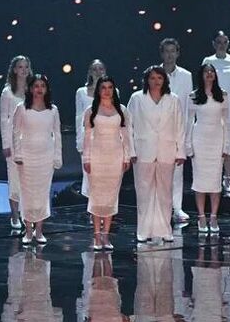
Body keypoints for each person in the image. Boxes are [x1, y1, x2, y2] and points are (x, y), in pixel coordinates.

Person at [129, 65, 186, 244]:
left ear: (165, 80)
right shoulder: (137, 98)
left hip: (166, 150)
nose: (156, 81)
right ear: (147, 80)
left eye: (159, 78)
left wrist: (181, 151)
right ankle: (144, 231)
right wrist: (130, 150)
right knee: (144, 192)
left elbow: (180, 126)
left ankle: (165, 230)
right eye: (152, 78)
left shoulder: (173, 99)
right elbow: (128, 126)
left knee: (165, 192)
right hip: (143, 150)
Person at [10, 74, 62, 246]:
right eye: (36, 86)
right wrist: (17, 154)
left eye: (42, 86)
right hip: (27, 156)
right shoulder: (21, 108)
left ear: (46, 89)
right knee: (27, 193)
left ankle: (39, 230)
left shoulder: (53, 110)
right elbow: (16, 132)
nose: (39, 89)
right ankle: (28, 230)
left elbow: (57, 134)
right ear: (31, 89)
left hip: (46, 157)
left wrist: (57, 156)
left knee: (42, 194)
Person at [82, 75, 132, 251]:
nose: (107, 91)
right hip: (97, 156)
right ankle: (97, 235)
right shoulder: (91, 110)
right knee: (97, 195)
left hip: (115, 157)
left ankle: (106, 235)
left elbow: (126, 136)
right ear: (98, 90)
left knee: (111, 196)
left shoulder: (122, 110)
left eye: (110, 87)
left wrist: (127, 157)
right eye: (103, 87)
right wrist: (86, 159)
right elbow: (87, 138)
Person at [202, 30, 230, 197]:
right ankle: (213, 178)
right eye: (219, 42)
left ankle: (227, 178)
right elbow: (203, 83)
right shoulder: (208, 61)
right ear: (214, 44)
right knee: (213, 141)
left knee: (229, 142)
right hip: (212, 104)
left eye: (224, 42)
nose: (222, 45)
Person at [187, 63, 228, 235]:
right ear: (201, 75)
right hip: (200, 139)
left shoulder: (223, 95)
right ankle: (201, 216)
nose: (209, 74)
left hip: (217, 139)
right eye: (206, 72)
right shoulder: (194, 96)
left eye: (212, 71)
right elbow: (189, 121)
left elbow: (226, 122)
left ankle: (213, 216)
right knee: (200, 180)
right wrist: (188, 145)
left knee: (215, 180)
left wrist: (226, 144)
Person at [160, 38, 193, 225]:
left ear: (178, 53)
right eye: (166, 51)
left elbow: (188, 107)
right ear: (162, 53)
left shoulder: (186, 76)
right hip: (159, 129)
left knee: (177, 171)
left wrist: (187, 135)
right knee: (160, 171)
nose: (170, 55)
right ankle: (161, 207)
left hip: (178, 129)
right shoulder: (154, 74)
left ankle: (177, 207)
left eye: (173, 51)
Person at [0, 55, 32, 230]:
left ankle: (28, 215)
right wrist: (5, 144)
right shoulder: (7, 92)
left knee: (29, 179)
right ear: (14, 70)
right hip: (13, 141)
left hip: (31, 140)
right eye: (20, 67)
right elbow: (4, 119)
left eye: (26, 67)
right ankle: (14, 215)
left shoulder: (33, 89)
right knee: (14, 178)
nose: (23, 70)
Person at [74, 59, 108, 199]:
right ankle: (92, 207)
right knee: (90, 175)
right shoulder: (81, 92)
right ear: (90, 72)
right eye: (94, 69)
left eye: (100, 69)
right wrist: (79, 142)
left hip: (106, 139)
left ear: (105, 71)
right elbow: (78, 118)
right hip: (88, 139)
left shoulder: (113, 91)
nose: (98, 72)